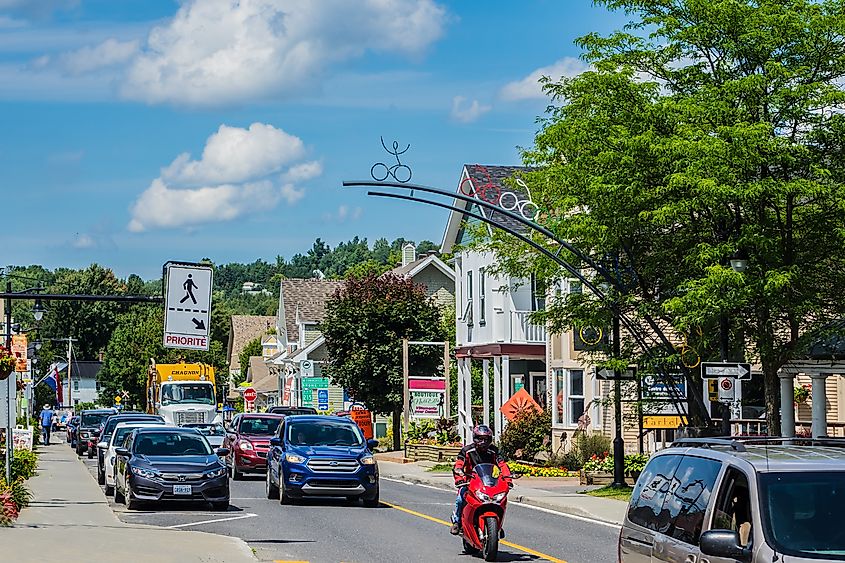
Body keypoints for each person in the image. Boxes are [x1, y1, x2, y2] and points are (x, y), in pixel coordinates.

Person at [450, 424, 512, 535]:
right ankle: (457, 522)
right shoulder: (467, 451)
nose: (483, 443)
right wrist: (460, 478)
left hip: (490, 482)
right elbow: (459, 464)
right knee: (460, 499)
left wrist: (508, 479)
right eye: (480, 439)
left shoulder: (494, 451)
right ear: (475, 439)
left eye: (486, 439)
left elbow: (502, 465)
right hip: (470, 483)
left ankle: (498, 525)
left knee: (500, 500)